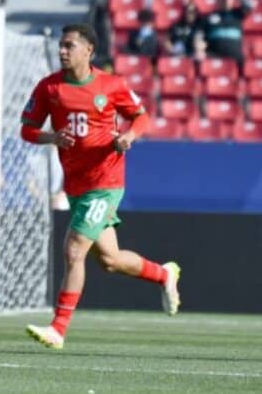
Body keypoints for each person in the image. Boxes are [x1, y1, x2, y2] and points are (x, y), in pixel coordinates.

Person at [20, 23, 181, 350]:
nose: (62, 51)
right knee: (110, 260)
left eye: (69, 46)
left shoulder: (112, 85)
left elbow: (141, 117)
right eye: (61, 46)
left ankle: (58, 329)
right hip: (76, 184)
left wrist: (128, 137)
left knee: (74, 249)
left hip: (106, 181)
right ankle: (164, 274)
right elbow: (27, 129)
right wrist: (52, 137)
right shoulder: (49, 88)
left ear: (88, 51)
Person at [195, 0, 253, 71]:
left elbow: (250, 4)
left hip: (235, 56)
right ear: (218, 0)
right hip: (214, 54)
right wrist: (199, 49)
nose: (225, 0)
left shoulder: (238, 14)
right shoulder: (208, 17)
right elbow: (199, 35)